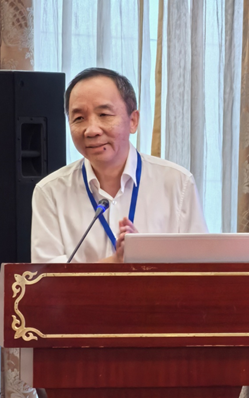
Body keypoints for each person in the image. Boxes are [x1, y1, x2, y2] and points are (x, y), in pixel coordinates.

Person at [31, 67, 207, 264]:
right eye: (79, 118)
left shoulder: (178, 183)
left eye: (104, 114)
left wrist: (146, 258)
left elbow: (200, 268)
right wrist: (116, 262)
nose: (91, 130)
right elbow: (45, 278)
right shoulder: (50, 192)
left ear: (133, 121)